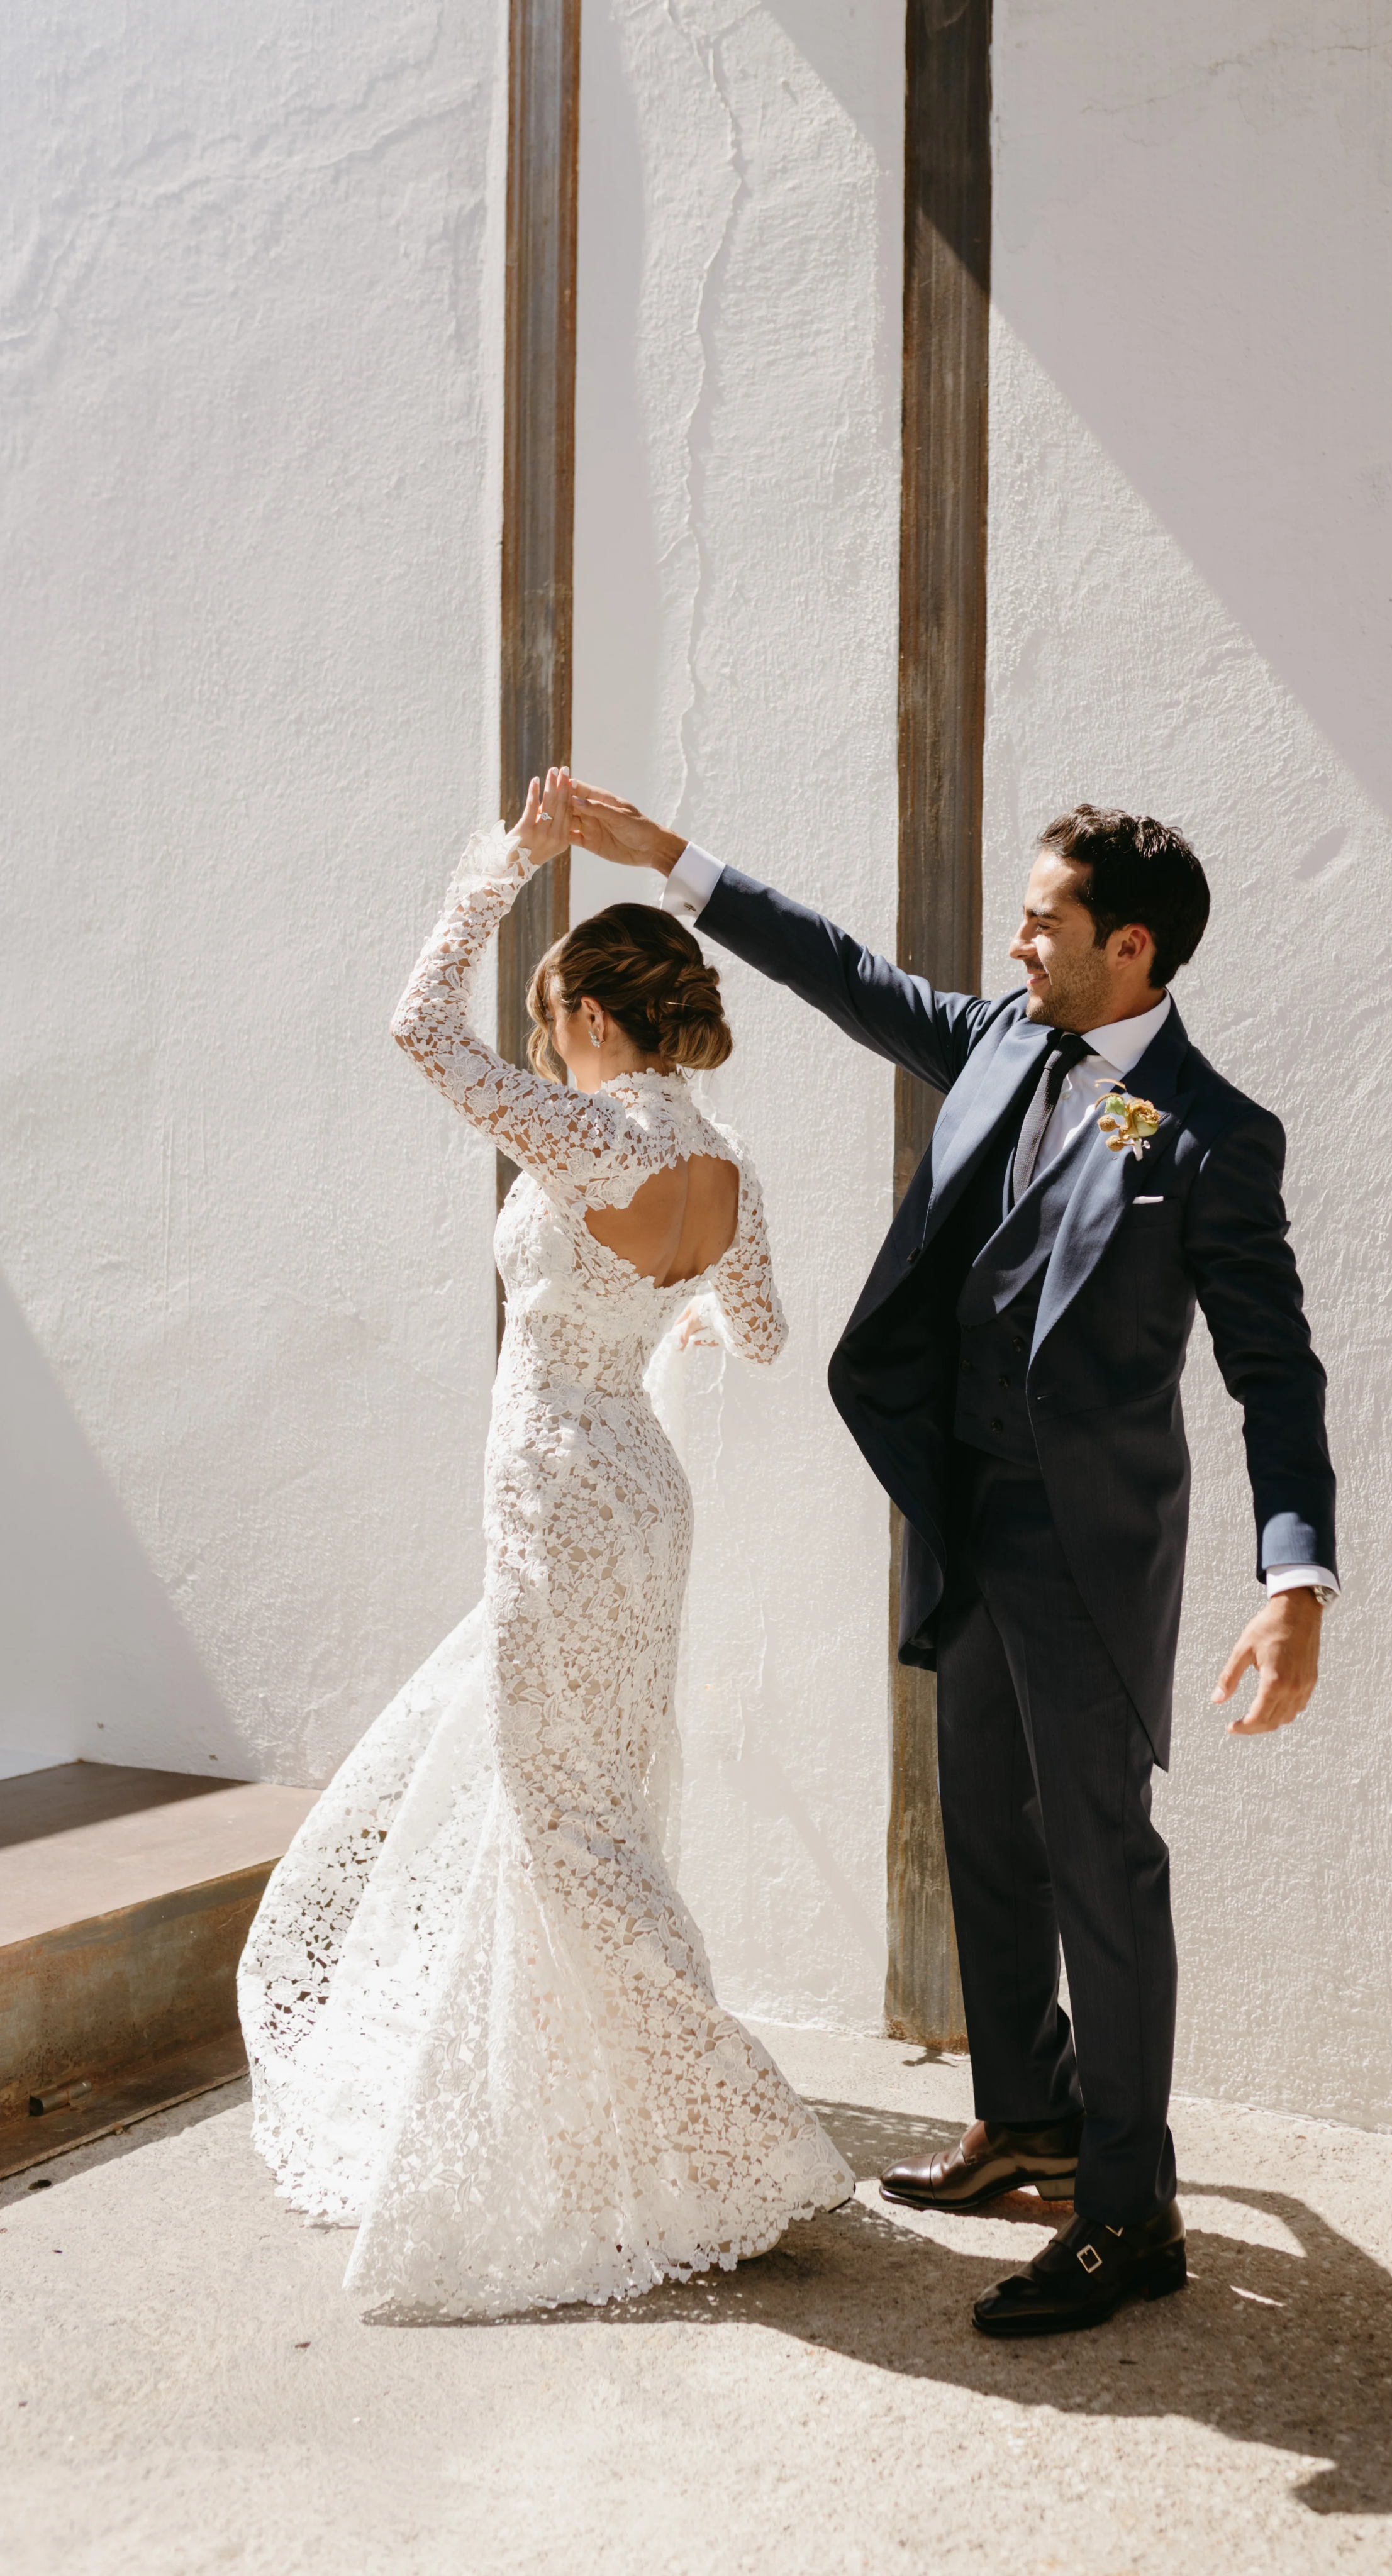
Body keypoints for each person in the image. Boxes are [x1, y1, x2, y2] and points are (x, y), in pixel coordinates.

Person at [562, 780, 1337, 2341]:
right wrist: (679, 865)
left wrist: (1296, 1578)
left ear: (1131, 946)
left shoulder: (1212, 1134)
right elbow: (845, 970)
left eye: (1043, 915)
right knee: (982, 1819)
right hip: (968, 1511)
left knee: (1098, 1856)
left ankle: (1130, 2210)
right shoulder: (997, 1036)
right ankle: (1028, 2119)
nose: (1015, 936)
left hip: (1091, 1546)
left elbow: (1276, 1368)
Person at [238, 771, 852, 2320]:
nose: (539, 1039)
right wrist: (668, 1322)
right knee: (605, 1800)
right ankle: (631, 2119)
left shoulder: (581, 1135)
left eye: (550, 1012)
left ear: (588, 1011)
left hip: (557, 1483)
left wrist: (503, 868)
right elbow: (763, 1331)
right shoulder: (727, 1170)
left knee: (560, 1811)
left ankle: (725, 2124)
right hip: (642, 1483)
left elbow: (412, 1028)